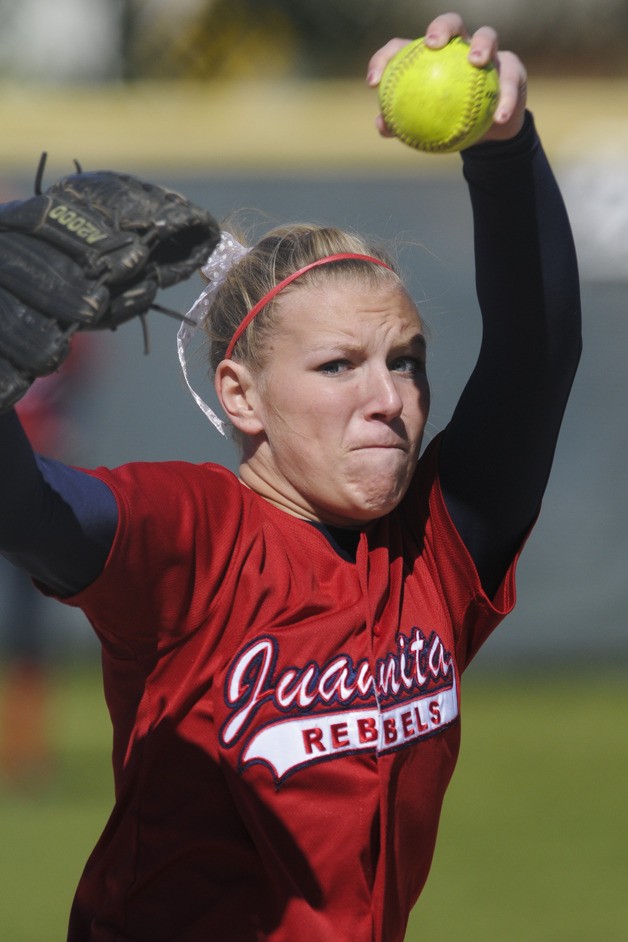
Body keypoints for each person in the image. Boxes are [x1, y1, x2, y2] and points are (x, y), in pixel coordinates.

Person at [0, 12, 581, 942]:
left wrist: (505, 148)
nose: (388, 396)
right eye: (337, 366)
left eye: (406, 361)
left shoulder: (435, 550)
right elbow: (29, 510)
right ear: (241, 395)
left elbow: (535, 361)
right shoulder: (194, 536)